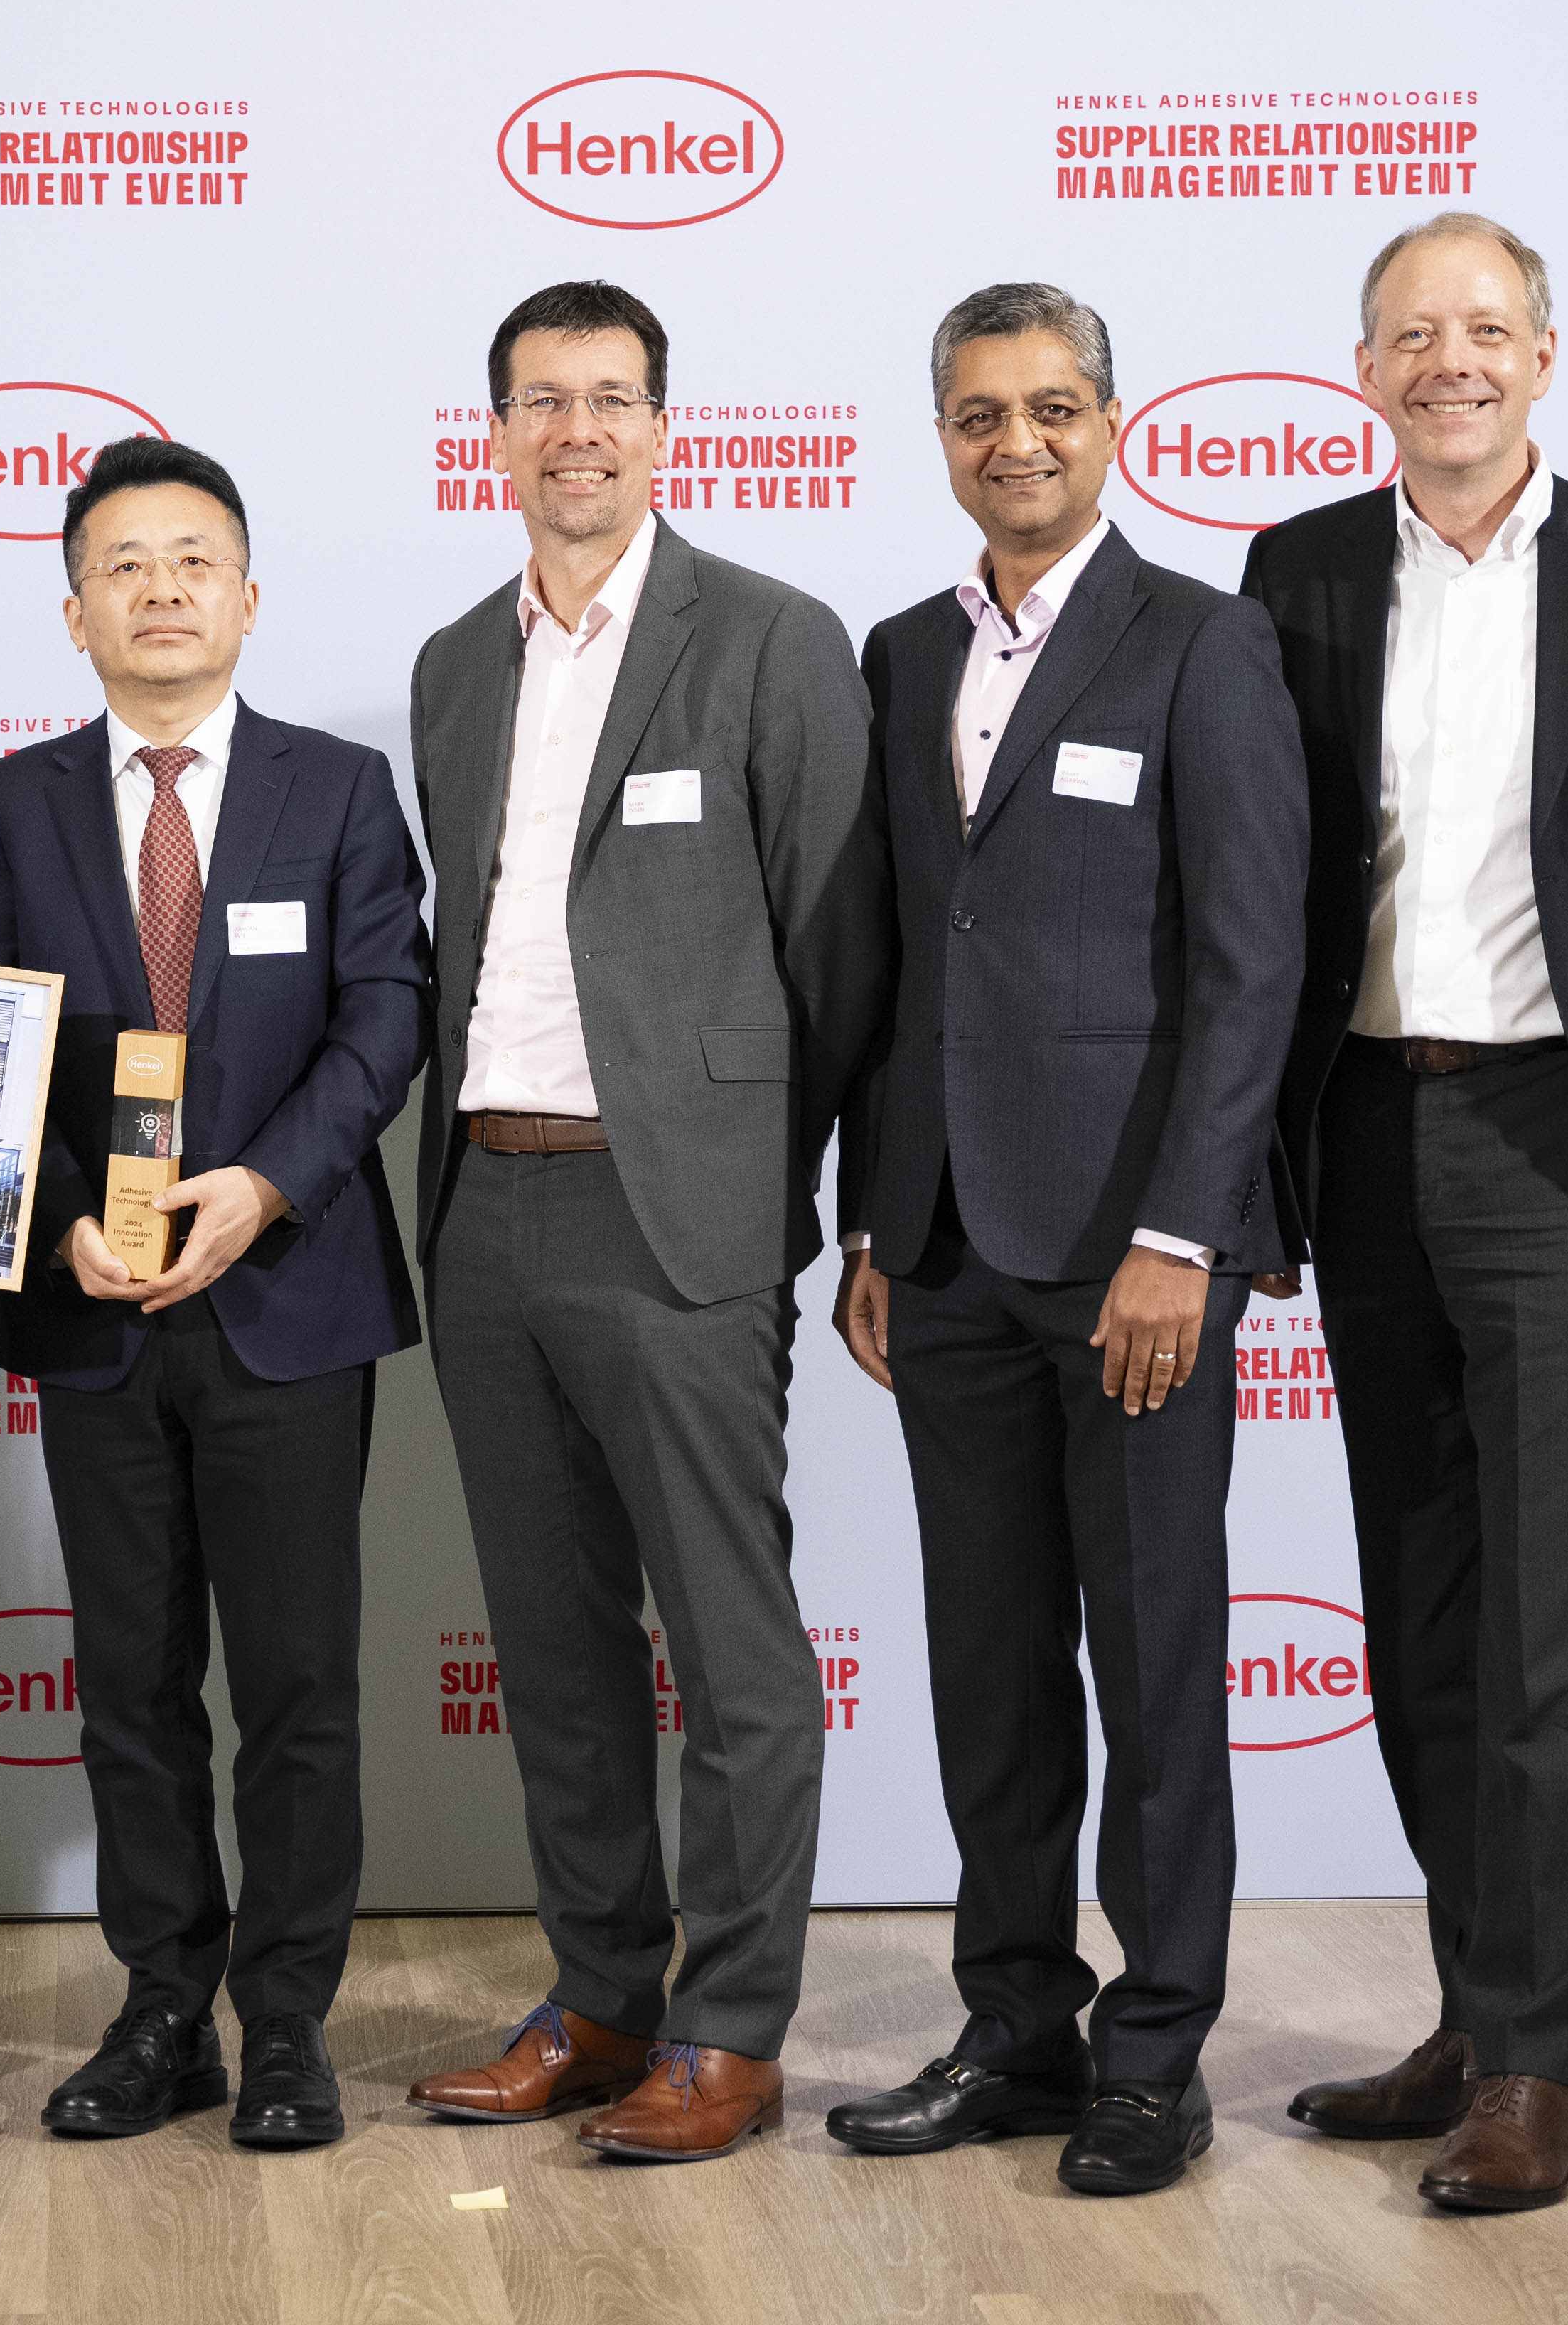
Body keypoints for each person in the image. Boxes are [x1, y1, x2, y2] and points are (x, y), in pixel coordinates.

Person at [1240, 215, 1568, 2211]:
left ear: (1545, 355)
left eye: (1485, 328)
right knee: (1422, 1606)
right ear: (1364, 369)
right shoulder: (1295, 571)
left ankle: (1545, 2067)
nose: (1449, 361)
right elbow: (1266, 879)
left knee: (1549, 1615)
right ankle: (1476, 2010)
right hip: (1368, 1123)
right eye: (1411, 334)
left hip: (1563, 1140)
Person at [398, 279, 891, 2164]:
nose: (578, 431)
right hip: (487, 1209)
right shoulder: (455, 662)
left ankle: (733, 2028)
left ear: (664, 430)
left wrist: (804, 1200)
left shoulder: (768, 638)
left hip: (677, 1220)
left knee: (732, 1653)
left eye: (612, 398)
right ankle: (602, 2000)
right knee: (556, 1652)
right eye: (544, 400)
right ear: (497, 437)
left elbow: (845, 963)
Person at [825, 286, 1306, 2195]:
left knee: (1158, 1665)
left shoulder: (1204, 640)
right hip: (945, 1244)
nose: (1013, 441)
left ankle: (1155, 2054)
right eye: (977, 414)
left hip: (1134, 1260)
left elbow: (1253, 965)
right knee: (992, 1666)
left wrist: (1186, 1233)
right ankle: (1017, 2026)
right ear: (940, 436)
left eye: (1048, 408)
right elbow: (894, 960)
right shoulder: (896, 653)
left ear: (1112, 423)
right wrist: (875, 1218)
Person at [0, 436, 430, 2154]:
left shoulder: (341, 788)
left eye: (192, 561)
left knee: (297, 1685)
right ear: (74, 612)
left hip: (286, 1295)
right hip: (90, 1302)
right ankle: (164, 2008)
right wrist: (64, 1215)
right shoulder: (5, 806)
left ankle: (287, 2018)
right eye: (124, 566)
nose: (161, 590)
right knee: (130, 1683)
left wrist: (267, 1184)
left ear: (248, 596)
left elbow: (388, 1011)